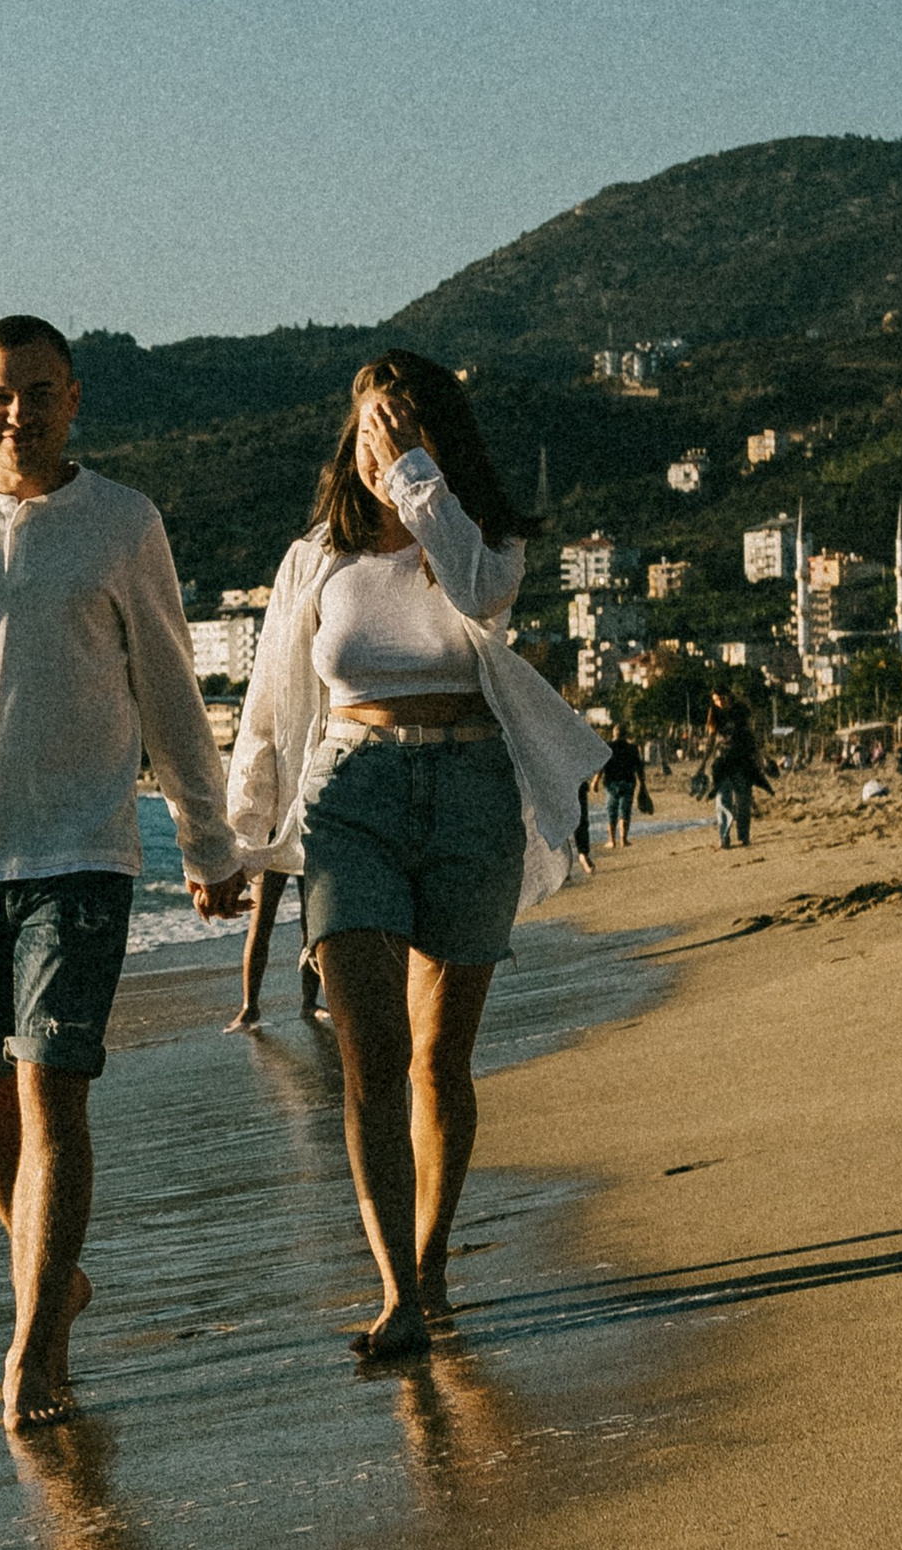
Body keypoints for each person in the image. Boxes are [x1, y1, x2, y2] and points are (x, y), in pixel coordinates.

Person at [0, 315, 251, 1431]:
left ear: (74, 398)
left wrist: (206, 845)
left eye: (35, 391)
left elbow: (170, 689)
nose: (13, 410)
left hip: (81, 850)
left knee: (49, 1092)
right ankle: (52, 1275)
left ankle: (34, 1350)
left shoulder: (123, 523)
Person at [227, 351, 606, 1363]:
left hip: (470, 797)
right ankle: (396, 1290)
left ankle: (433, 1261)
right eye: (365, 430)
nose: (378, 447)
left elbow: (481, 600)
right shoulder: (315, 560)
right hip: (352, 797)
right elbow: (267, 708)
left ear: (436, 440)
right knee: (371, 1060)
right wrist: (234, 838)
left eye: (398, 427)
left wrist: (416, 479)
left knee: (441, 1059)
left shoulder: (477, 543)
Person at [226, 868, 322, 1031]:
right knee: (260, 922)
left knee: (312, 924)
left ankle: (310, 1003)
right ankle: (249, 1007)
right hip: (269, 847)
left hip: (306, 844)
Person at [709, 696, 771, 849]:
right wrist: (703, 764)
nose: (720, 703)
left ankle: (743, 836)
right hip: (723, 765)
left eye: (721, 699)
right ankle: (724, 838)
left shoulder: (740, 715)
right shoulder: (714, 717)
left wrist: (759, 759)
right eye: (716, 700)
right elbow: (711, 741)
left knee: (743, 802)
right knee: (723, 801)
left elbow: (752, 740)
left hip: (743, 764)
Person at [600, 729, 646, 848]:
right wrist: (642, 783)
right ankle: (623, 840)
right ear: (626, 735)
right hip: (628, 782)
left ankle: (611, 841)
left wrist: (595, 781)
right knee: (625, 812)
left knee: (611, 812)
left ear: (614, 734)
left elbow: (602, 765)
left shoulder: (607, 747)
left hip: (611, 783)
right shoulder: (632, 748)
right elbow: (639, 767)